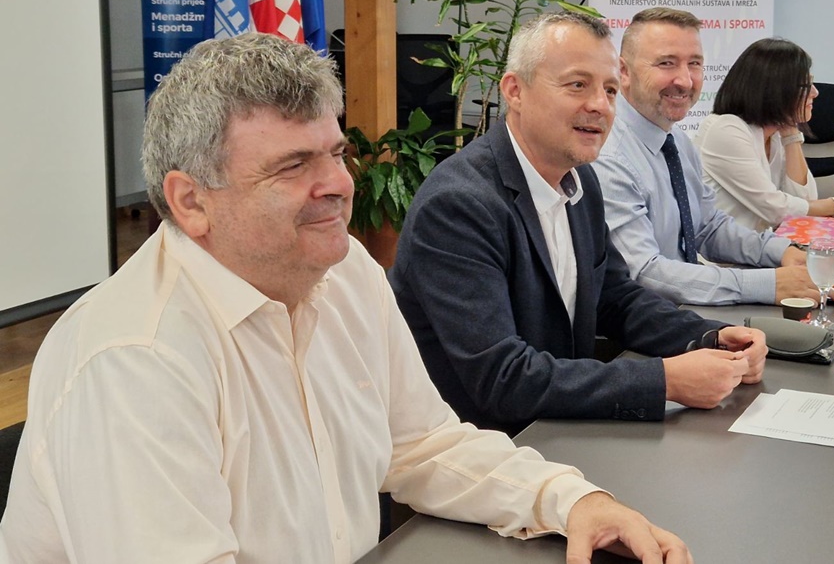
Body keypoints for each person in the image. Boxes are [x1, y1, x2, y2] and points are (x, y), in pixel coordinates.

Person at [0, 33, 693, 564]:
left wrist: (572, 501)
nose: (337, 185)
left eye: (334, 153)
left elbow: (420, 444)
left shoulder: (344, 272)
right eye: (292, 166)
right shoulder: (135, 357)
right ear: (191, 201)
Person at [388, 12, 766, 437]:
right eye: (577, 85)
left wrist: (710, 337)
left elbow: (615, 297)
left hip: (558, 428)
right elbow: (501, 378)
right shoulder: (458, 205)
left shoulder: (580, 178)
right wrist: (665, 381)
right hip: (485, 445)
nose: (600, 105)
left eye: (609, 90)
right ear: (515, 91)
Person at [592, 8, 828, 307]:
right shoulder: (610, 156)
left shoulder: (677, 140)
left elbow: (707, 227)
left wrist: (781, 251)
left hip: (682, 308)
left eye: (694, 64)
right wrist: (768, 284)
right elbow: (645, 272)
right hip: (641, 320)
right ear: (623, 72)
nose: (685, 80)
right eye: (666, 63)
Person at [692, 37, 834, 232]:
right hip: (722, 249)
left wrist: (791, 133)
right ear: (774, 90)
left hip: (757, 243)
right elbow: (773, 209)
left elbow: (805, 200)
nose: (815, 92)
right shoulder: (726, 129)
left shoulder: (774, 133)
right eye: (806, 86)